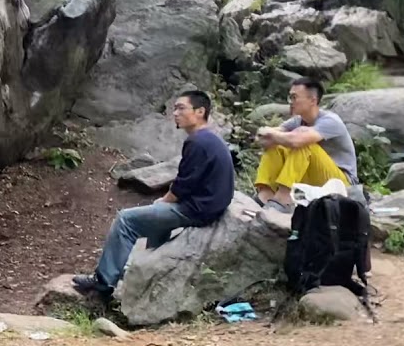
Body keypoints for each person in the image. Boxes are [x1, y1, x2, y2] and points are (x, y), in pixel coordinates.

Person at [72, 90, 235, 298]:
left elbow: (182, 186)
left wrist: (163, 200)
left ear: (200, 111)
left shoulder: (198, 142)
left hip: (198, 211)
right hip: (208, 207)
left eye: (181, 108)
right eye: (174, 108)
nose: (175, 113)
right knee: (157, 212)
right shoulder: (210, 139)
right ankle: (146, 270)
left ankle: (102, 283)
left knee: (125, 220)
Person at [254, 77, 358, 212]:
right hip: (313, 179)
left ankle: (284, 198)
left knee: (303, 144)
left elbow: (296, 140)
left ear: (312, 100)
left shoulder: (330, 121)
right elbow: (263, 139)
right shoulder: (297, 121)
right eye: (290, 97)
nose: (290, 102)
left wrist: (271, 133)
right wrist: (270, 135)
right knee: (277, 145)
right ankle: (266, 193)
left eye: (294, 97)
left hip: (341, 184)